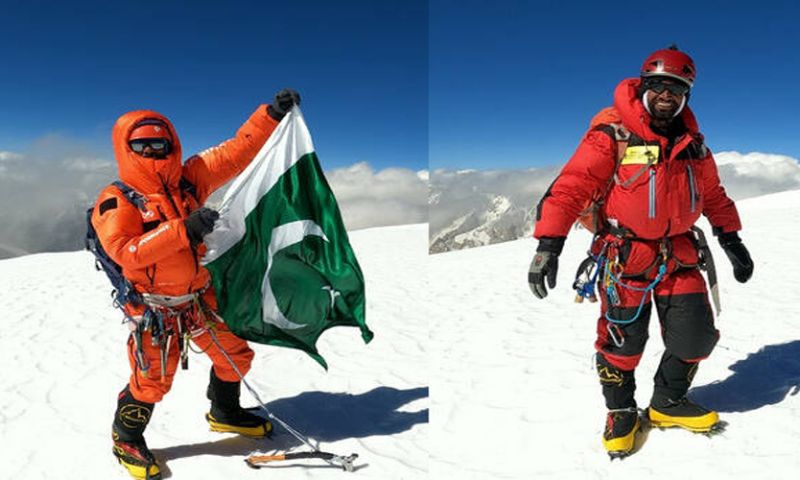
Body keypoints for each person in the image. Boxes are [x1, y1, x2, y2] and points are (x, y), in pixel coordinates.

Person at [528, 46, 753, 458]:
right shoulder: (613, 134)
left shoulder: (694, 145)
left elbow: (714, 196)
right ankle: (621, 412)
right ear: (644, 87)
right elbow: (573, 185)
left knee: (696, 335)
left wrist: (731, 238)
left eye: (677, 88)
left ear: (686, 95)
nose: (667, 94)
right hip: (625, 256)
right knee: (621, 343)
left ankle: (667, 403)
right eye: (659, 86)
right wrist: (549, 244)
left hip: (680, 254)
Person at [91, 89, 300, 480]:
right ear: (126, 148)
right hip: (155, 308)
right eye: (143, 145)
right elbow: (125, 251)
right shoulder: (117, 200)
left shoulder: (188, 180)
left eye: (161, 142)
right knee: (152, 378)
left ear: (173, 142)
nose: (154, 151)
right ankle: (126, 437)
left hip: (198, 298)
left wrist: (270, 115)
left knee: (234, 354)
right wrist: (181, 231)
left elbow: (236, 153)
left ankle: (224, 412)